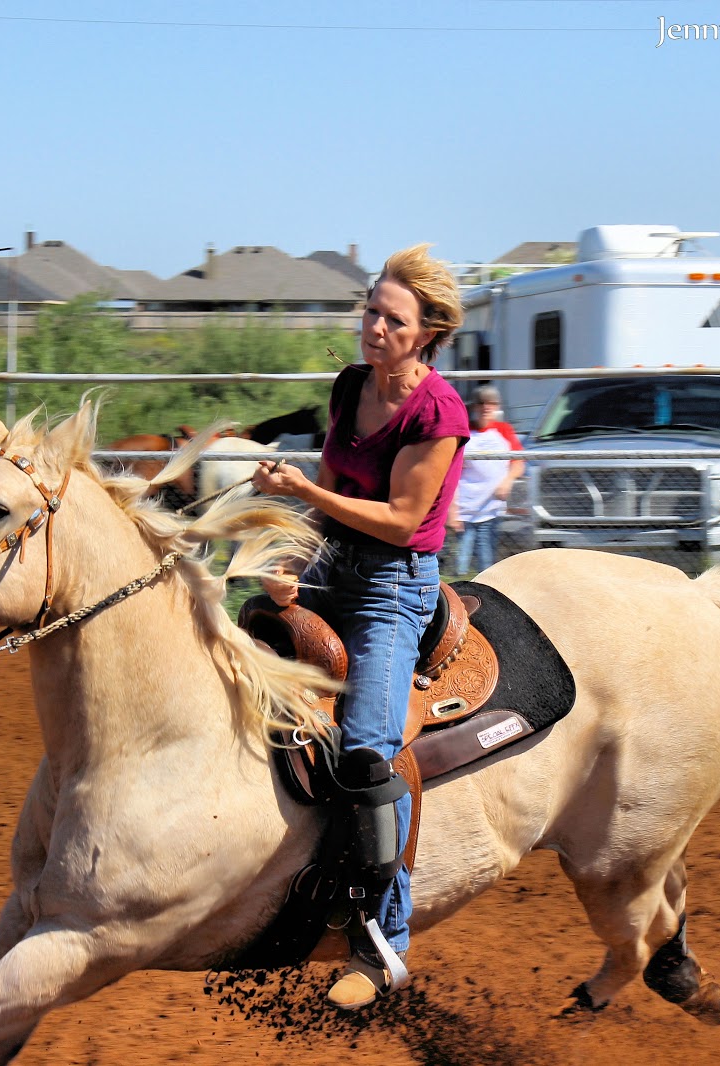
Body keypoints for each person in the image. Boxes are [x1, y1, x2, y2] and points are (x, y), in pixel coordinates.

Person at [251, 244, 468, 1011]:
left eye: (391, 318)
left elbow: (407, 520)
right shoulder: (351, 388)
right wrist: (290, 554)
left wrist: (308, 487)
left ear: (427, 331)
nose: (373, 326)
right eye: (370, 310)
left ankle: (385, 943)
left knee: (371, 750)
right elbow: (333, 496)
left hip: (390, 590)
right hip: (335, 566)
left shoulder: (438, 409)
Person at [447, 385, 524, 577]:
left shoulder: (504, 431)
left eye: (491, 403)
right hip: (466, 509)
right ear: (473, 406)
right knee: (460, 564)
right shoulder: (464, 432)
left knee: (486, 563)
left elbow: (518, 462)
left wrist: (507, 481)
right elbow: (452, 472)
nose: (486, 407)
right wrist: (453, 509)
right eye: (481, 403)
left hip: (491, 508)